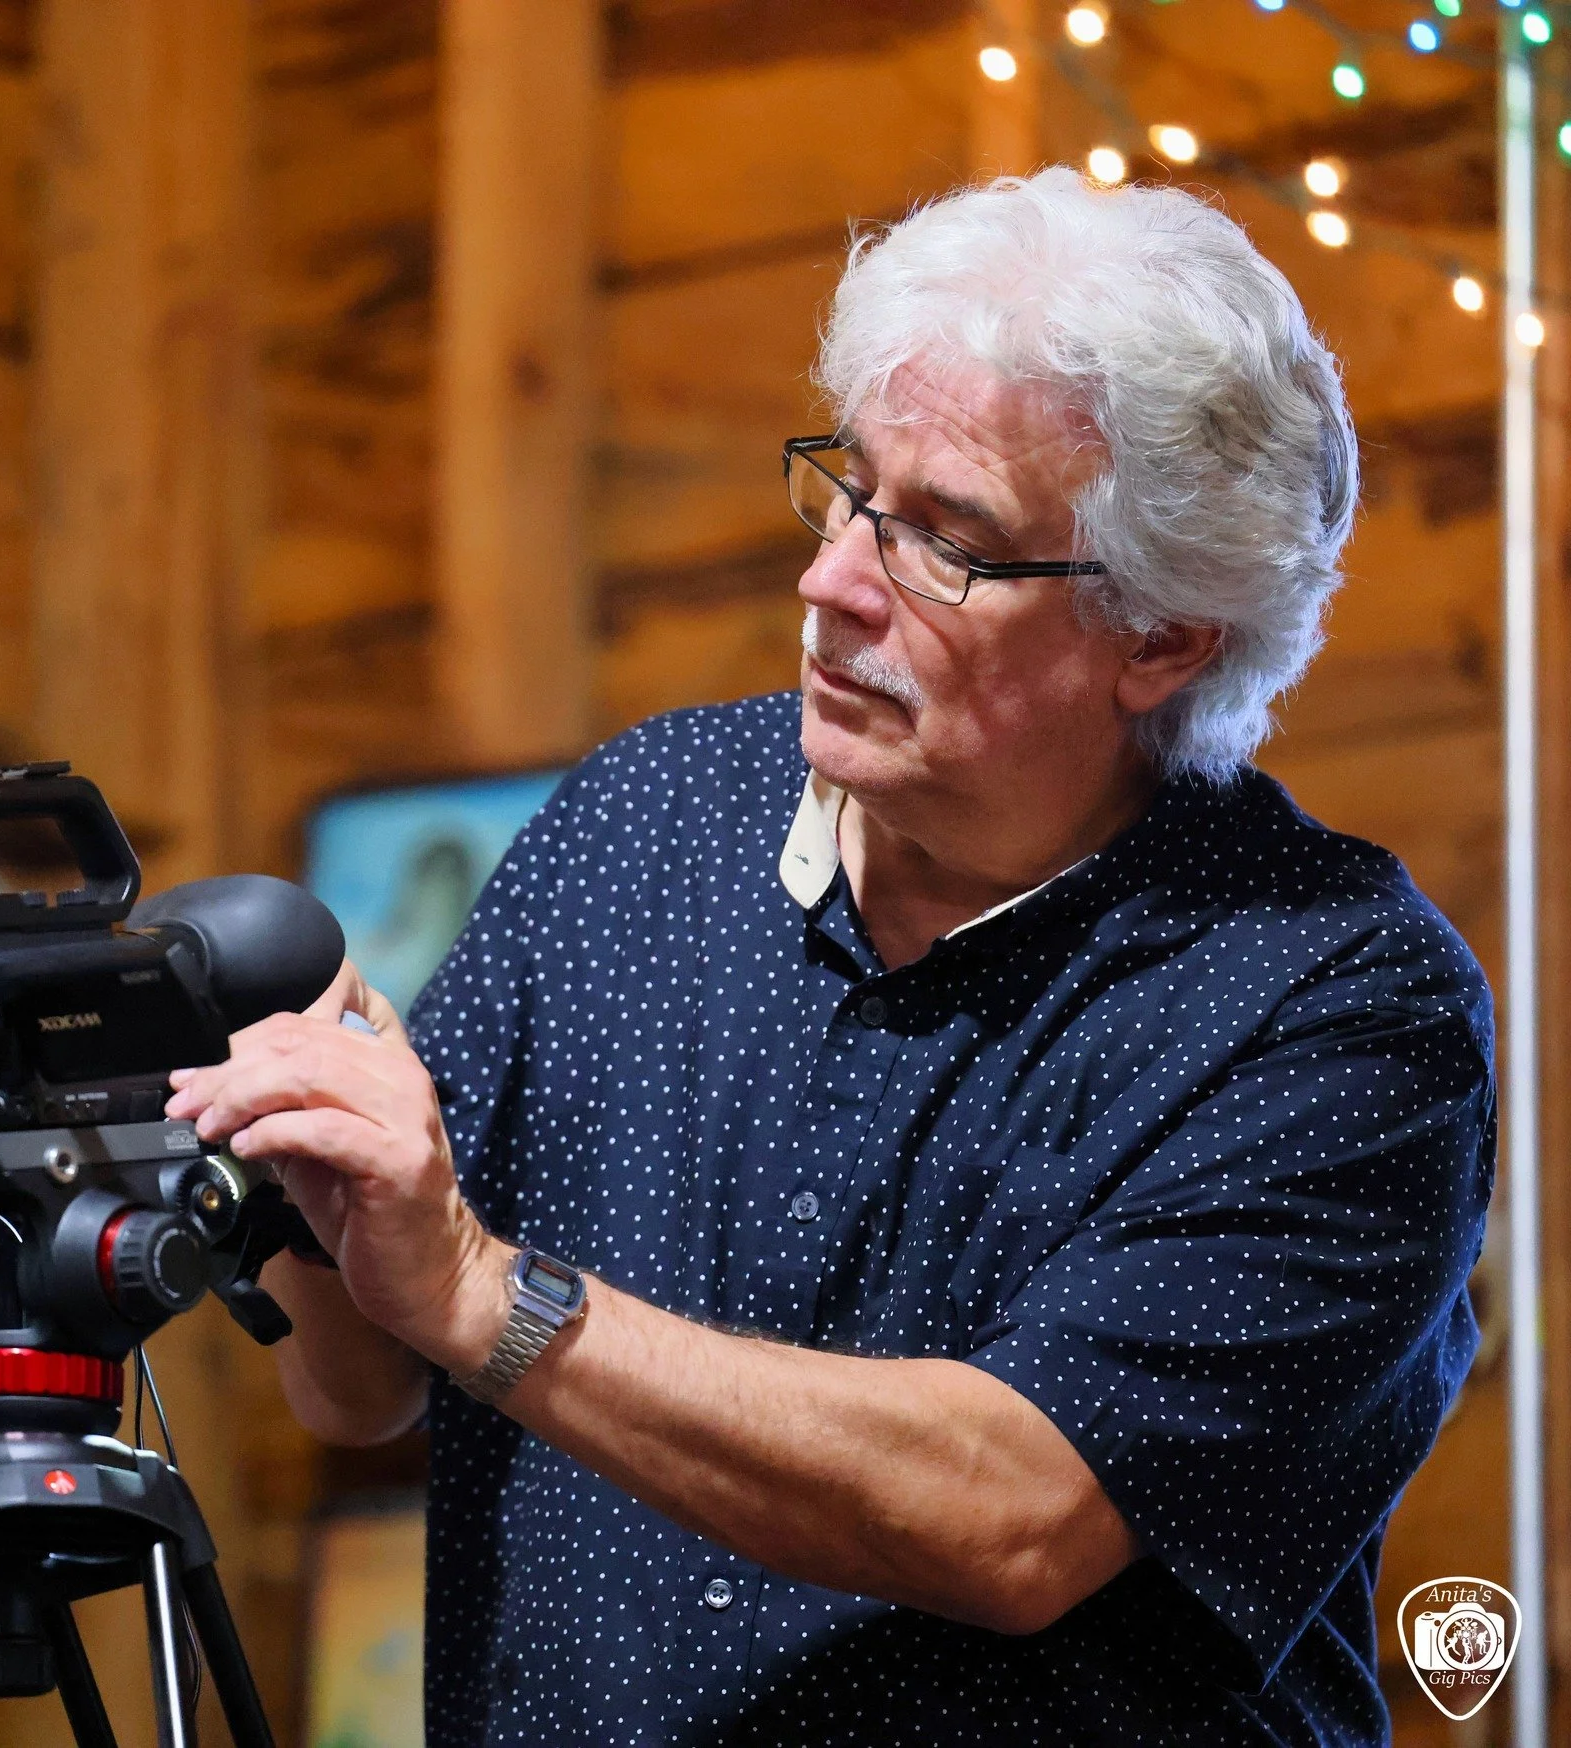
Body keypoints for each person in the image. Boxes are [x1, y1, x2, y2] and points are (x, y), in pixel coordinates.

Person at [168, 169, 1494, 1746]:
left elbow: (1014, 1517)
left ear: (1164, 636)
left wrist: (477, 1290)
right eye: (852, 491)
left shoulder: (1336, 1000)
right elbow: (360, 1390)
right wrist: (343, 1197)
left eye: (948, 543)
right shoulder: (641, 820)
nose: (832, 583)